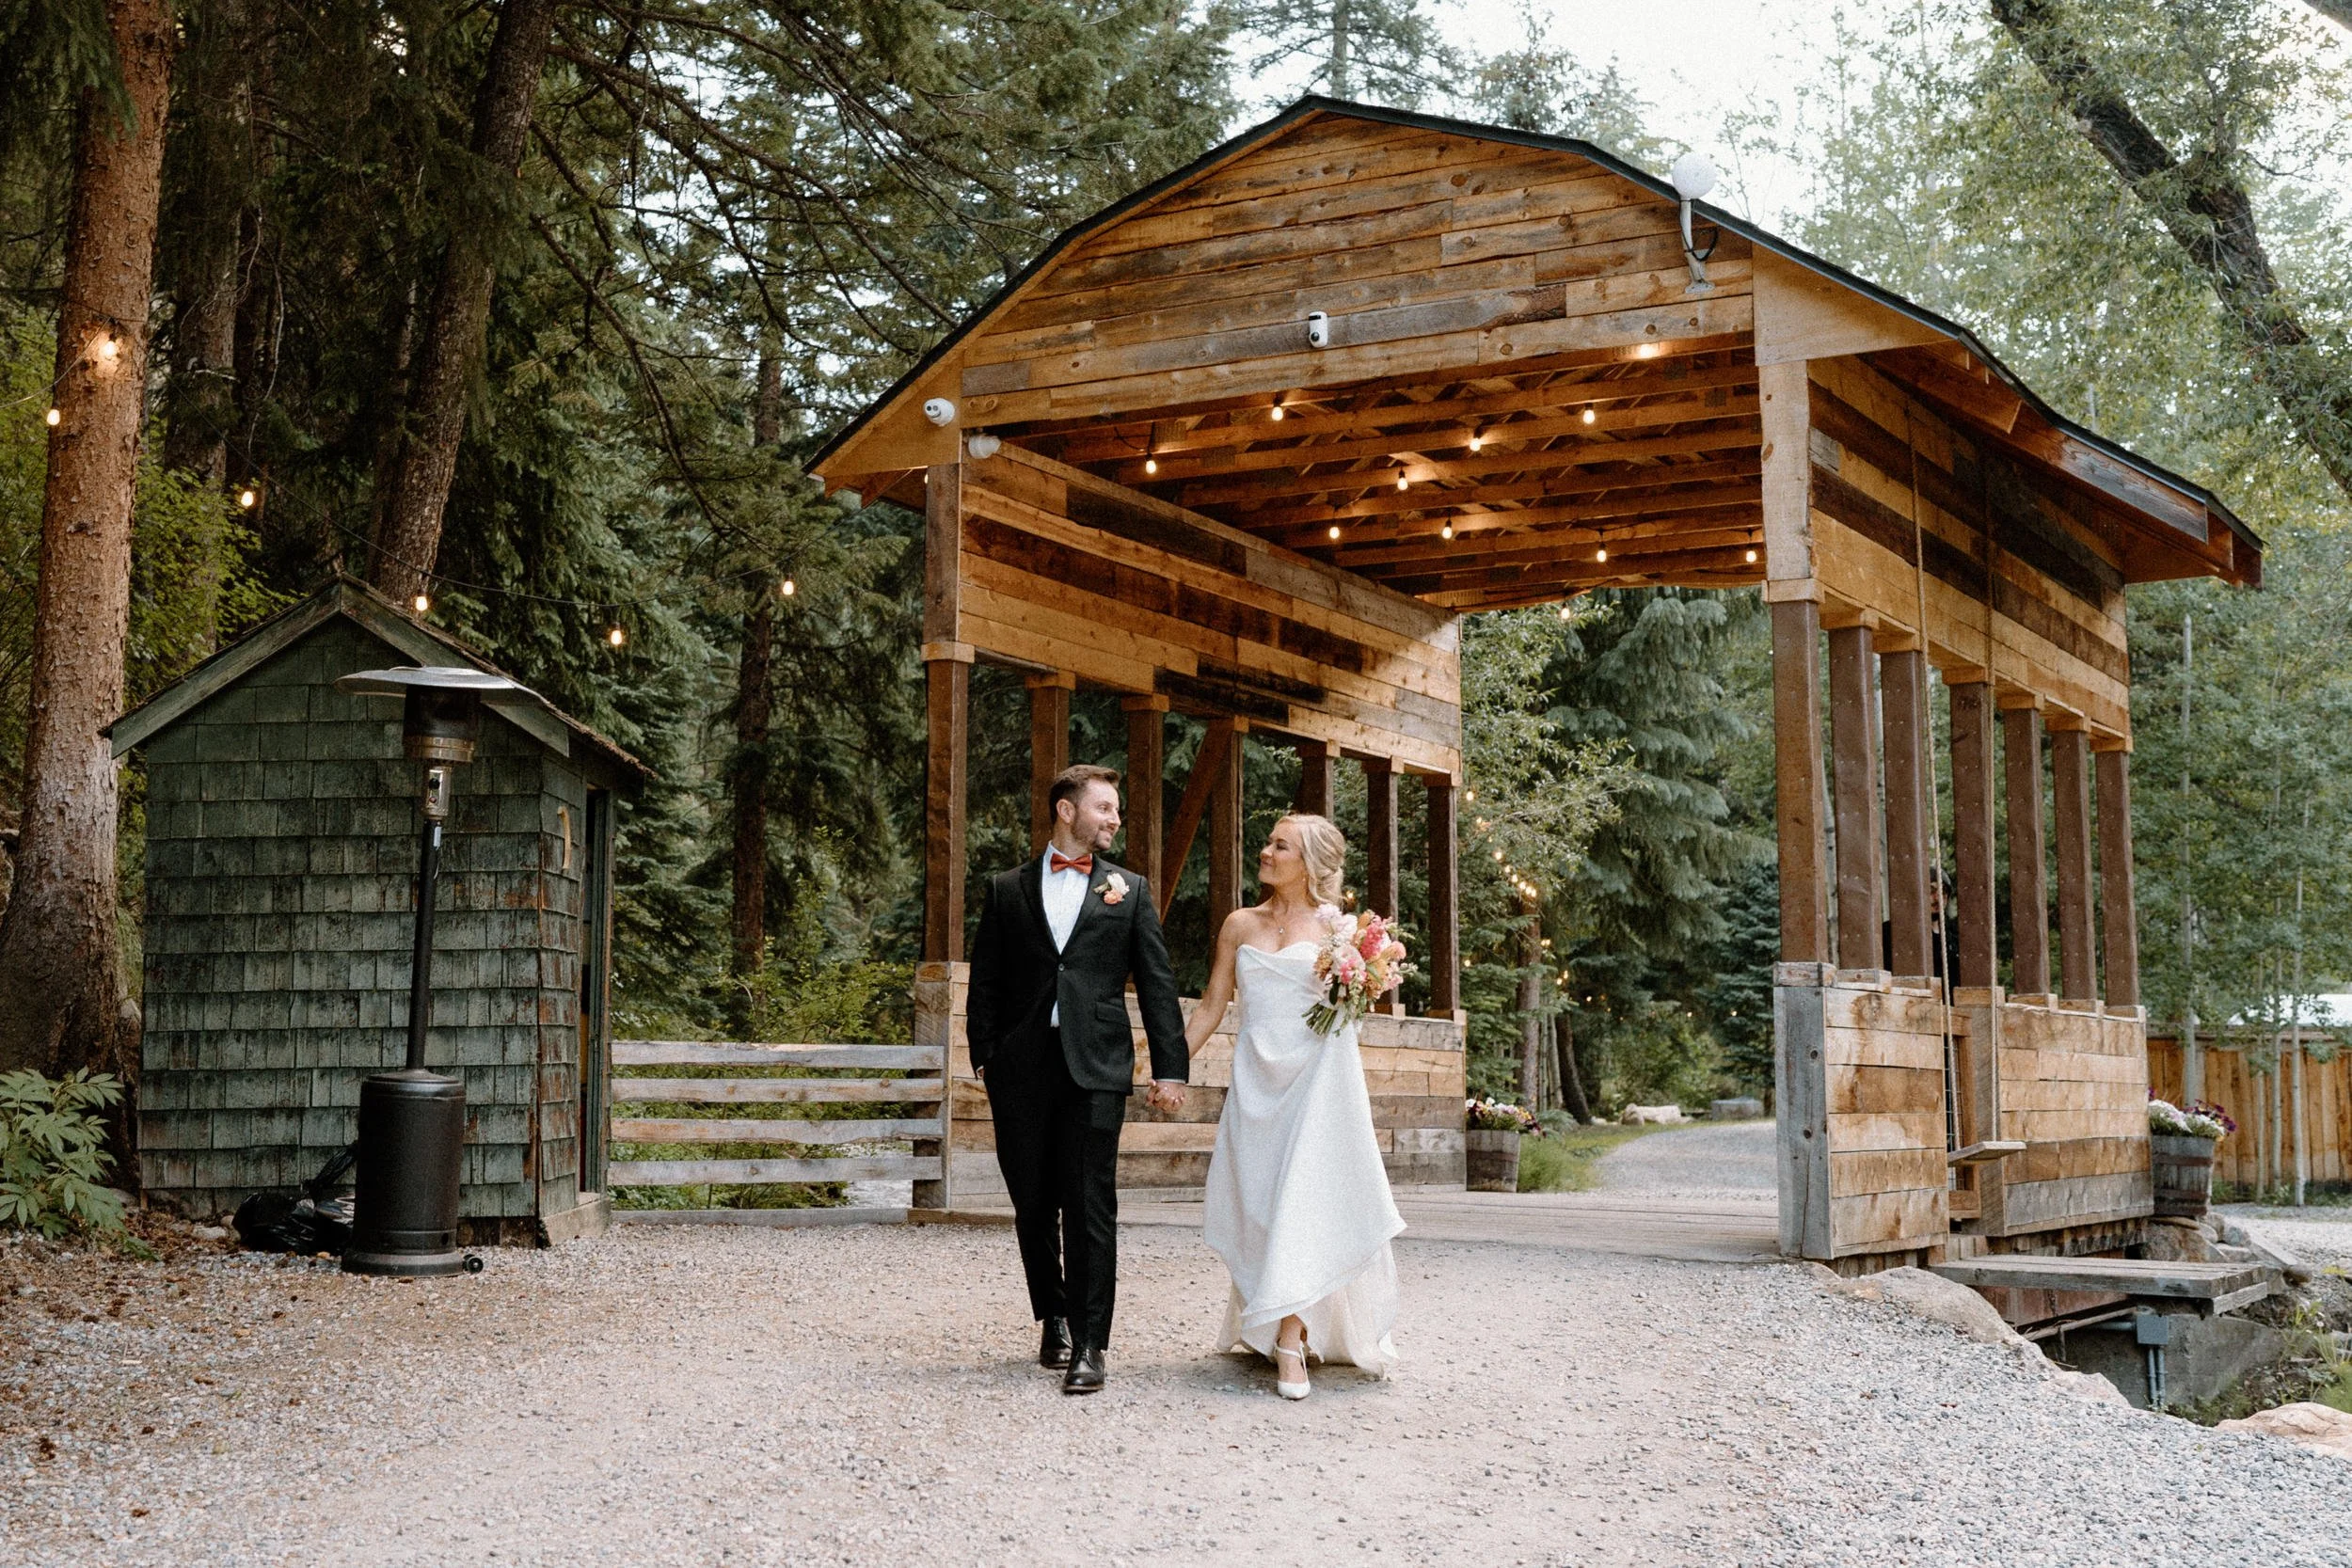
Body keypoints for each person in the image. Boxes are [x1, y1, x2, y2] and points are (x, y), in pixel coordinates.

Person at [965, 764, 1187, 1395]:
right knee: (1032, 1201)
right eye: (1105, 808)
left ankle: (1091, 1343)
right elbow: (986, 981)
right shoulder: (1006, 888)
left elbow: (1158, 983)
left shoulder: (1130, 890)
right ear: (1067, 810)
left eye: (1115, 811)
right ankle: (1053, 1312)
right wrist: (986, 1054)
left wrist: (1170, 1063)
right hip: (1022, 1070)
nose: (1115, 820)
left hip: (1097, 1068)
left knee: (1090, 1203)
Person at [1191, 813, 1404, 1400]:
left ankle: (1291, 1338)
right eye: (1267, 841)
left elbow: (1354, 1008)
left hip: (1319, 1085)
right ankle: (1273, 1314)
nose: (1265, 851)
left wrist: (1360, 979)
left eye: (1278, 845)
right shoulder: (1239, 925)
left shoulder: (1343, 933)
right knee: (1260, 1204)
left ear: (1309, 863)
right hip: (1258, 1083)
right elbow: (1212, 1005)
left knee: (1304, 1200)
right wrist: (1167, 1068)